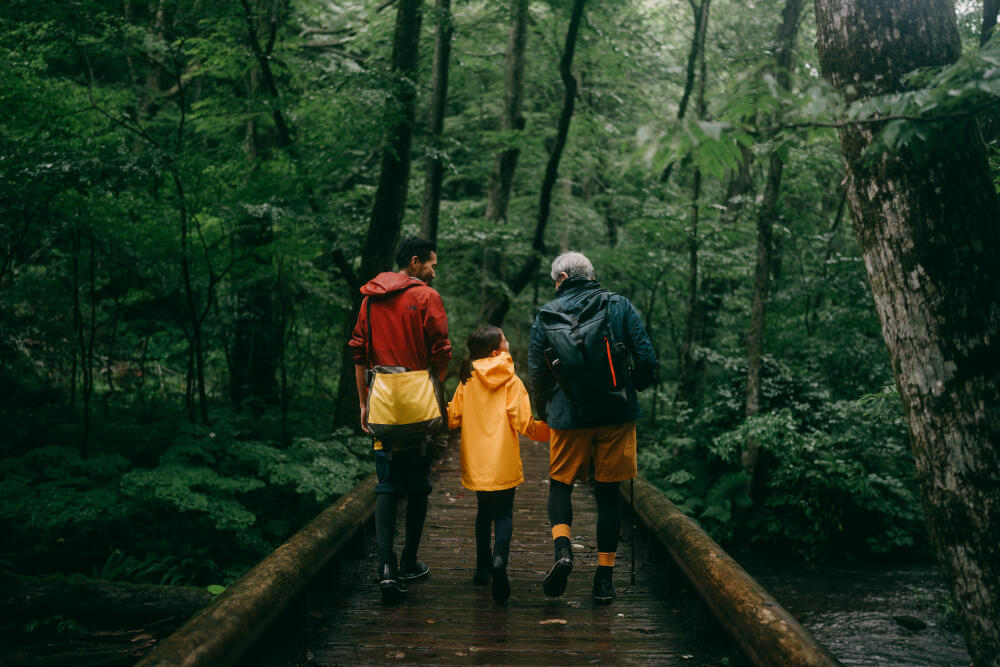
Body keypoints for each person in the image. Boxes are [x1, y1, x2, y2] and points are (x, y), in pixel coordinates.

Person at [528, 251, 658, 604]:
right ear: (590, 274)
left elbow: (537, 374)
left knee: (560, 484)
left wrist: (544, 412)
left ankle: (563, 552)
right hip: (616, 413)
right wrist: (633, 388)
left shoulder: (545, 315)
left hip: (568, 418)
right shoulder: (619, 305)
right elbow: (646, 358)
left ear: (562, 278)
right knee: (609, 494)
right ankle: (603, 579)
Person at [349, 237, 452, 603]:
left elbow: (359, 353)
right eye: (432, 265)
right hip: (420, 409)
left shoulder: (370, 299)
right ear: (415, 262)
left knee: (388, 484)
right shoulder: (427, 297)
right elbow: (442, 350)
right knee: (419, 483)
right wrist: (432, 386)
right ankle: (409, 560)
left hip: (383, 406)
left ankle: (386, 568)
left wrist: (364, 403)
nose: (434, 271)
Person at [447, 326, 549, 603]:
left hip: (478, 462)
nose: (509, 341)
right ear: (496, 351)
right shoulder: (512, 382)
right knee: (504, 515)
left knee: (484, 513)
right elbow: (525, 424)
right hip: (503, 460)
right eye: (505, 339)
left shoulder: (467, 381)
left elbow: (452, 417)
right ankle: (499, 560)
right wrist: (555, 430)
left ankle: (482, 569)